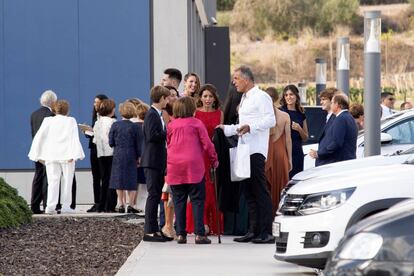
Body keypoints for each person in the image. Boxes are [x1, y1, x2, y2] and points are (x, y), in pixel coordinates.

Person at [219, 65, 276, 244]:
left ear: (246, 79)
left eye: (236, 78)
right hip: (244, 150)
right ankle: (253, 230)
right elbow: (242, 125)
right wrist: (226, 129)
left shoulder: (261, 96)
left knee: (259, 191)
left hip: (255, 150)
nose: (233, 82)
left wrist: (251, 127)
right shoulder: (244, 98)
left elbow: (270, 120)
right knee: (248, 192)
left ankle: (266, 232)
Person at [166, 97, 219, 244]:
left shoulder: (171, 125)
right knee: (197, 200)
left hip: (175, 166)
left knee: (179, 200)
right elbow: (207, 144)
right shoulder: (196, 123)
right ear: (192, 108)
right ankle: (199, 234)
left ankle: (181, 234)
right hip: (194, 167)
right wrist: (214, 160)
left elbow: (169, 144)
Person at [28, 100, 85, 214]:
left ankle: (50, 206)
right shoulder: (71, 121)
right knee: (68, 181)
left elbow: (40, 137)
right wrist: (75, 154)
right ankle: (66, 206)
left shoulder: (48, 121)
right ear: (67, 110)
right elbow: (74, 138)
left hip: (51, 155)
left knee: (52, 181)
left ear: (54, 109)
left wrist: (37, 154)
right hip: (67, 155)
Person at [186, 84, 223, 235]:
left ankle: (213, 225)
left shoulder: (220, 113)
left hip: (213, 153)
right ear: (200, 98)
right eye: (205, 96)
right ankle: (201, 223)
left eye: (210, 96)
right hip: (198, 154)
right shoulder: (195, 113)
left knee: (213, 187)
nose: (207, 99)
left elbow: (220, 135)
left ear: (215, 98)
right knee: (200, 187)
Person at [141, 85, 173, 242]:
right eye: (166, 98)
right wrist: (168, 131)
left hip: (157, 161)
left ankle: (154, 229)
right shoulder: (152, 115)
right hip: (152, 161)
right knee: (153, 195)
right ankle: (149, 231)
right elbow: (152, 136)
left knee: (156, 195)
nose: (168, 100)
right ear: (161, 99)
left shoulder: (156, 114)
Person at [221, 82, 248, 236]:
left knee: (229, 191)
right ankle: (242, 227)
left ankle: (229, 227)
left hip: (227, 154)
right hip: (243, 154)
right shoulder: (245, 112)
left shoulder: (225, 113)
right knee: (243, 192)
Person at [109, 102, 142, 214]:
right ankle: (131, 204)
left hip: (118, 154)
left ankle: (121, 203)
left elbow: (111, 142)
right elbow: (139, 144)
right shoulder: (136, 127)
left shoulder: (115, 125)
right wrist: (139, 157)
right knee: (131, 179)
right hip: (131, 154)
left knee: (118, 178)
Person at [264, 87, 292, 214]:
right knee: (281, 186)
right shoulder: (285, 115)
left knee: (266, 188)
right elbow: (288, 140)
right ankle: (280, 215)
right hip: (281, 154)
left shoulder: (263, 117)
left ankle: (267, 220)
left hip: (267, 152)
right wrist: (290, 159)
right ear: (277, 98)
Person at [309, 94, 358, 164]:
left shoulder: (341, 119)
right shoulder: (349, 117)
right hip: (346, 161)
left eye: (332, 103)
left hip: (338, 162)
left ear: (337, 104)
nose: (331, 105)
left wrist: (319, 153)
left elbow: (336, 143)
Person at [29, 90, 57, 214]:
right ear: (53, 102)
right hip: (48, 150)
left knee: (38, 176)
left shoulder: (34, 114)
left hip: (37, 150)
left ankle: (34, 205)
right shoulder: (51, 116)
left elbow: (33, 133)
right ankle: (47, 204)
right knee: (48, 177)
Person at [83, 94, 109, 213]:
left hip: (103, 149)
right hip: (94, 148)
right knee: (95, 177)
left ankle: (104, 202)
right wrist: (87, 132)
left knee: (104, 176)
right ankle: (97, 202)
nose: (95, 104)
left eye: (97, 102)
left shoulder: (108, 116)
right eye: (94, 102)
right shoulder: (95, 116)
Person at [160, 86, 180, 238]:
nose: (173, 97)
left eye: (175, 95)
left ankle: (172, 225)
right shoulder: (166, 114)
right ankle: (167, 225)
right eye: (170, 95)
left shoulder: (179, 113)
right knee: (168, 192)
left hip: (178, 156)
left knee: (174, 192)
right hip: (170, 155)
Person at [92, 99, 117, 212]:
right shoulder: (112, 122)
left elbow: (96, 140)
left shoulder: (98, 122)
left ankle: (101, 204)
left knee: (104, 179)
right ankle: (110, 205)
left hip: (100, 154)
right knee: (111, 180)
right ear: (111, 110)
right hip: (111, 153)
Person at [280, 84, 308, 179]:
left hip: (297, 152)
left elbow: (305, 137)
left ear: (296, 96)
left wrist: (299, 129)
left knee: (296, 180)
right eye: (286, 95)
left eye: (291, 94)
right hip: (284, 151)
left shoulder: (301, 113)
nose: (289, 97)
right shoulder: (281, 112)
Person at [127, 98, 149, 215]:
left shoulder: (131, 125)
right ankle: (140, 204)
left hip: (133, 157)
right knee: (143, 185)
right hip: (144, 158)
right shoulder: (145, 126)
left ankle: (132, 203)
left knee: (134, 182)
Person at [314, 88, 337, 167]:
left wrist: (318, 153)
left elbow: (334, 143)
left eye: (323, 99)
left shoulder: (336, 118)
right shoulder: (328, 117)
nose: (321, 102)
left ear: (332, 100)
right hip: (325, 162)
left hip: (330, 163)